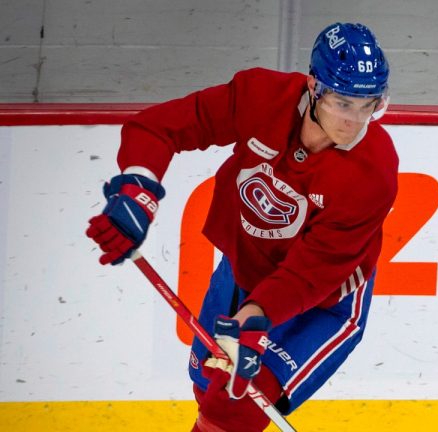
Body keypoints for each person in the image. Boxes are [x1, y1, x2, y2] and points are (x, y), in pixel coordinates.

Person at [86, 22, 397, 432]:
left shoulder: (374, 170)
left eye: (367, 105)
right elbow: (161, 127)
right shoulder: (262, 97)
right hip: (244, 266)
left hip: (323, 300)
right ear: (312, 87)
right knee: (206, 383)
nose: (354, 121)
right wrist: (138, 192)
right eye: (342, 102)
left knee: (235, 407)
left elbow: (310, 274)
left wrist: (255, 317)